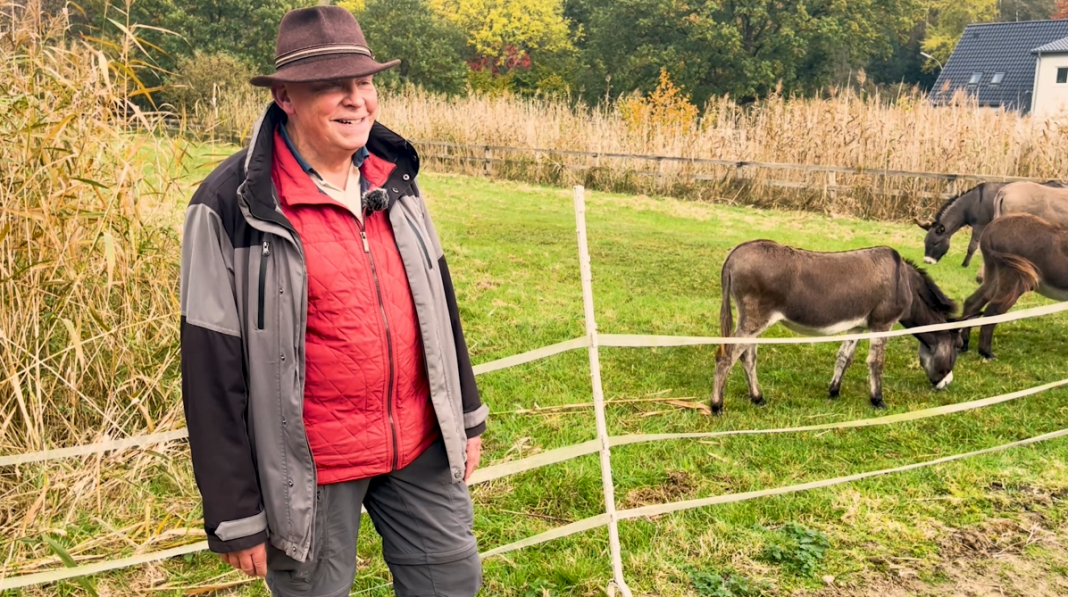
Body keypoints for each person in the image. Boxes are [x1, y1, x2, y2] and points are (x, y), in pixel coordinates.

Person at [178, 6, 488, 597]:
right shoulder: (232, 204)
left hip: (415, 441)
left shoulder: (394, 178)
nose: (357, 100)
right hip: (307, 468)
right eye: (330, 86)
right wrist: (234, 510)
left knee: (452, 584)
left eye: (365, 82)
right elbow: (210, 367)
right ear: (286, 97)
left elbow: (438, 301)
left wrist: (466, 413)